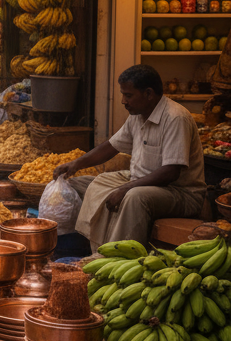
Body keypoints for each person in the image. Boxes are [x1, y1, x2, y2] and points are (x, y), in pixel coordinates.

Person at [53, 64, 205, 248]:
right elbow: (110, 147)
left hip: (179, 192)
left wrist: (124, 189)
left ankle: (120, 256)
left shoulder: (175, 118)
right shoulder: (137, 114)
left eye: (128, 95)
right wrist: (75, 164)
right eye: (123, 95)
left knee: (134, 196)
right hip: (141, 179)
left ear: (148, 93)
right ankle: (95, 246)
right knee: (95, 182)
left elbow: (171, 172)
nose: (123, 101)